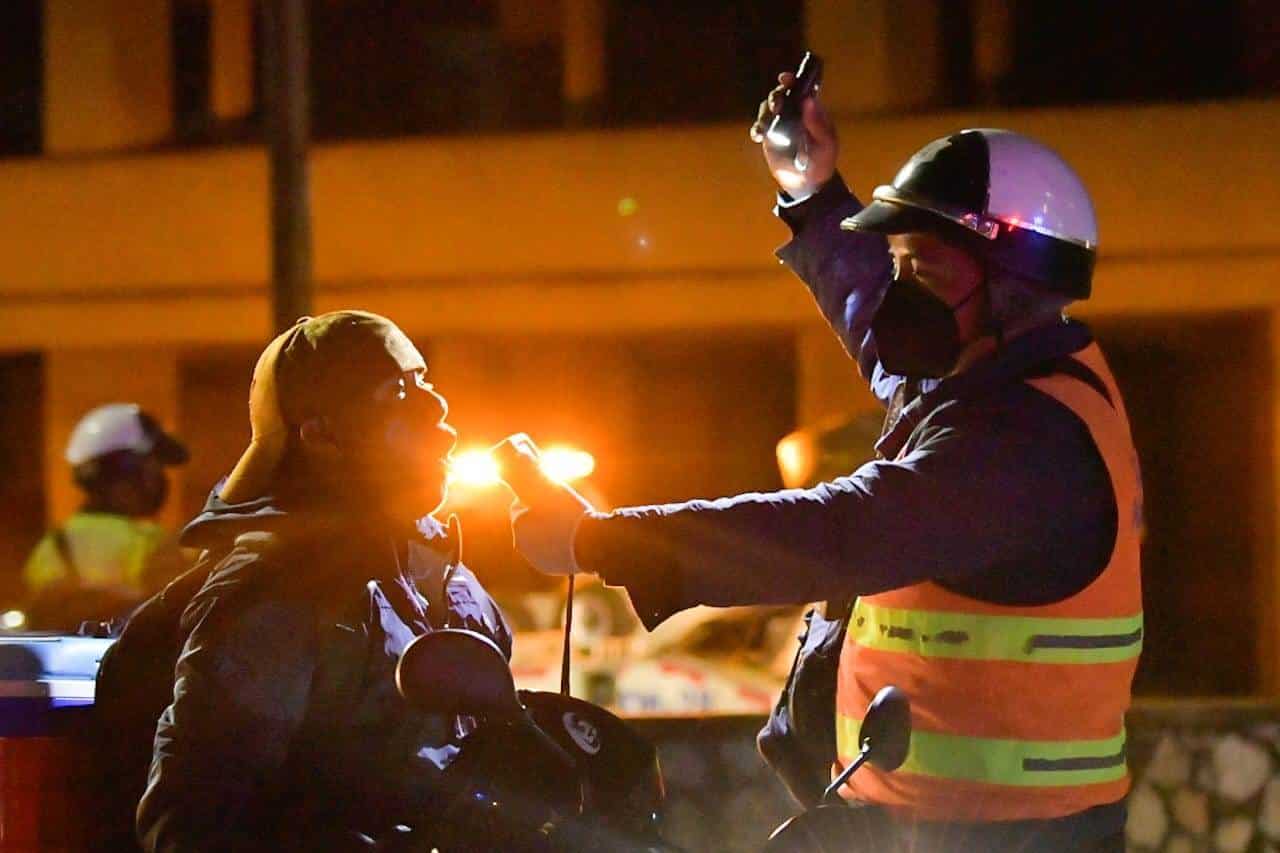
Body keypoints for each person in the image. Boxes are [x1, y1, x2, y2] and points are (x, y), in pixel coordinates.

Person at [499, 73, 1143, 852]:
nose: (902, 291)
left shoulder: (1025, 443)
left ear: (1012, 287)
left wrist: (598, 539)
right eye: (901, 263)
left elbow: (836, 530)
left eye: (925, 271)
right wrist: (809, 189)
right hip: (934, 830)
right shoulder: (981, 378)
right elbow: (874, 311)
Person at [100, 311, 510, 852]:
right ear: (321, 435)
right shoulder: (278, 594)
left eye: (425, 381)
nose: (437, 406)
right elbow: (195, 824)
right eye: (397, 391)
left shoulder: (442, 572)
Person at [23, 403, 189, 629]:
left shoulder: (50, 546)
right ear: (129, 470)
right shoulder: (151, 542)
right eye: (153, 467)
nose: (159, 478)